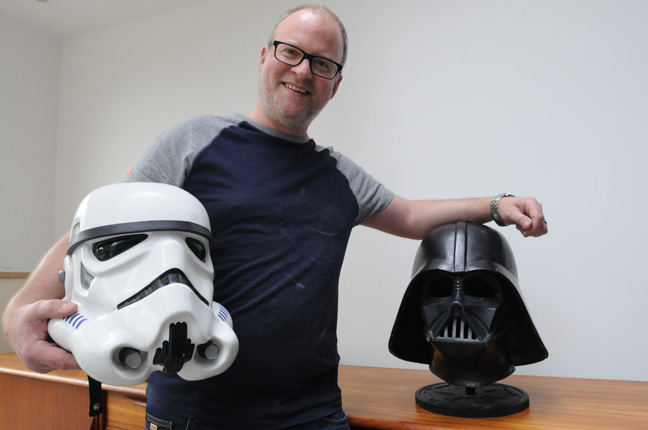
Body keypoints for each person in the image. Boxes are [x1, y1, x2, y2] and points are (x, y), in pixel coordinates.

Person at [2, 5, 547, 430]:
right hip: (194, 410)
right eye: (291, 52)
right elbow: (104, 228)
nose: (303, 70)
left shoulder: (341, 177)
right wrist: (22, 308)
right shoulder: (194, 142)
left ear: (335, 81)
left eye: (323, 63)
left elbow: (408, 215)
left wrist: (497, 206)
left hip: (310, 413)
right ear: (264, 56)